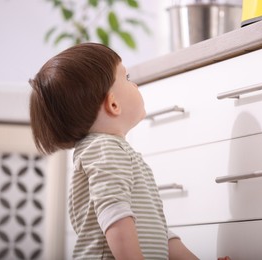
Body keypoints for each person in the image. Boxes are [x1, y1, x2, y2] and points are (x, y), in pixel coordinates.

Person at [29, 43, 198, 259]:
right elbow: (115, 214)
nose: (135, 85)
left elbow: (156, 229)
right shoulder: (105, 149)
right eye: (126, 78)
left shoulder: (111, 151)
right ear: (113, 104)